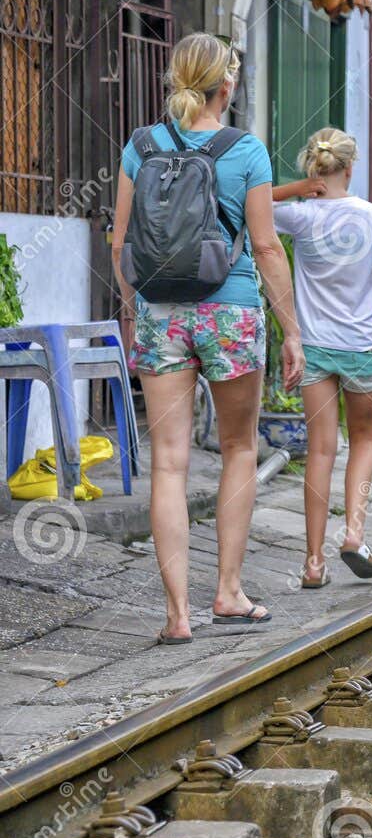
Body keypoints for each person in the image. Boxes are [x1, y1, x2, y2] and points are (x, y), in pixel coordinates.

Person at [111, 31, 303, 644]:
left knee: (168, 463)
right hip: (231, 310)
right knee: (239, 448)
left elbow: (119, 242)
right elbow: (266, 246)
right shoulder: (246, 150)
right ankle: (228, 591)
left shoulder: (140, 146)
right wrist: (292, 331)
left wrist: (137, 309)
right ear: (228, 84)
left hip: (161, 313)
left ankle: (177, 616)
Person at [273, 128, 372, 588]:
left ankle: (313, 563)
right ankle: (354, 534)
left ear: (314, 166)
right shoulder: (371, 215)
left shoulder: (298, 216)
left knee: (321, 450)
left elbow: (245, 202)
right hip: (360, 347)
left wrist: (295, 190)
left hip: (314, 347)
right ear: (350, 168)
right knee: (365, 440)